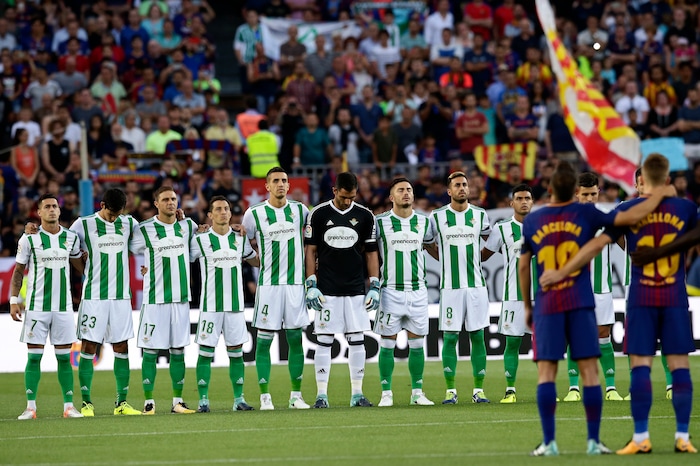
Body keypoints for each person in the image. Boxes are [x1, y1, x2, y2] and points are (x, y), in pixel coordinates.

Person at [541, 154, 697, 455]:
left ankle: (641, 438)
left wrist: (562, 271)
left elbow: (598, 244)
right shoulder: (684, 208)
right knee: (679, 365)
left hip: (642, 298)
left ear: (640, 183)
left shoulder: (626, 210)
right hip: (675, 297)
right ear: (666, 180)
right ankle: (682, 436)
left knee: (640, 365)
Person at [304, 171, 379, 408]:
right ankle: (321, 395)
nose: (348, 202)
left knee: (357, 340)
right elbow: (311, 250)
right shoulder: (318, 214)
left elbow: (371, 252)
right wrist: (311, 283)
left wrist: (375, 284)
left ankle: (357, 394)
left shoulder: (366, 216)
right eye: (344, 197)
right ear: (334, 191)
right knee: (325, 340)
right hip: (327, 288)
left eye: (353, 197)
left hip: (356, 288)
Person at [241, 167, 311, 410]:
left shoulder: (301, 210)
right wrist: (257, 260)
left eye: (284, 181)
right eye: (276, 181)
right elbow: (242, 243)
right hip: (269, 286)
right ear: (267, 186)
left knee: (295, 340)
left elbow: (312, 242)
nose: (281, 184)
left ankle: (296, 396)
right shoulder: (254, 214)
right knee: (263, 342)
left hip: (295, 286)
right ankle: (264, 397)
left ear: (289, 186)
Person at [11, 194, 84, 420]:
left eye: (55, 206)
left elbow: (80, 266)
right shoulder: (28, 239)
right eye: (47, 207)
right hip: (36, 307)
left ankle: (69, 406)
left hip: (63, 308)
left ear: (59, 211)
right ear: (39, 212)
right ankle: (30, 407)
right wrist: (14, 300)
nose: (52, 209)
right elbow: (17, 272)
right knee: (34, 357)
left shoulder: (71, 238)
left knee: (64, 358)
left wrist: (90, 259)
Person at [71, 189, 143, 416]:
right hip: (94, 297)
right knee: (89, 346)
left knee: (121, 346)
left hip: (121, 298)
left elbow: (152, 233)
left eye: (118, 214)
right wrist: (86, 272)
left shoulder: (129, 222)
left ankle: (121, 403)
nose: (114, 219)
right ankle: (86, 404)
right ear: (102, 205)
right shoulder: (82, 224)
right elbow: (68, 247)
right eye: (111, 214)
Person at [129, 186, 199, 414]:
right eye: (166, 199)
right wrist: (145, 267)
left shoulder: (188, 226)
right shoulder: (145, 229)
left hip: (180, 300)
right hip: (154, 300)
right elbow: (125, 249)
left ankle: (177, 401)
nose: (171, 203)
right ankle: (149, 402)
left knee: (178, 351)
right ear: (156, 203)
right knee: (150, 351)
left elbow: (200, 244)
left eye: (174, 199)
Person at [428, 171, 492, 405]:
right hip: (450, 288)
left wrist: (478, 258)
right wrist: (444, 261)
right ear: (449, 191)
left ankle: (478, 390)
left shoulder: (480, 215)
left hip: (476, 287)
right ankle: (450, 391)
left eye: (465, 184)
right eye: (457, 185)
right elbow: (427, 243)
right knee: (451, 336)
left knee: (478, 336)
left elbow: (491, 243)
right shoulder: (436, 217)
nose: (462, 188)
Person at [191, 196, 259, 412]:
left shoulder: (240, 239)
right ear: (209, 215)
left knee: (237, 352)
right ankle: (203, 400)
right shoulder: (199, 240)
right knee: (205, 352)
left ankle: (239, 399)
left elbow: (255, 260)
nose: (223, 212)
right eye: (218, 209)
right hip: (210, 307)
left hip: (236, 306)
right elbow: (179, 259)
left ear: (231, 214)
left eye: (226, 209)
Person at [562, 173, 624, 403]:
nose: (589, 198)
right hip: (574, 288)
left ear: (599, 193)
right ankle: (573, 388)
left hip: (602, 288)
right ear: (577, 193)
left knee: (603, 336)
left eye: (593, 193)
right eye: (585, 194)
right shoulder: (566, 219)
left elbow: (626, 245)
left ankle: (610, 388)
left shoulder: (607, 218)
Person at [374, 178, 436, 407]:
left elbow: (431, 247)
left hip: (418, 291)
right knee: (388, 343)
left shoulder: (424, 222)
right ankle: (386, 393)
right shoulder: (380, 223)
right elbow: (369, 253)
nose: (406, 193)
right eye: (401, 190)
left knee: (418, 344)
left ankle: (417, 392)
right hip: (390, 291)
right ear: (391, 197)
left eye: (409, 189)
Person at [481, 184, 534, 403]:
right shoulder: (501, 229)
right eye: (519, 198)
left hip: (541, 296)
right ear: (511, 203)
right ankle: (510, 390)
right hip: (513, 296)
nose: (524, 201)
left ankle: (547, 388)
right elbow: (483, 255)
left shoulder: (543, 226)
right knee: (512, 343)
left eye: (527, 198)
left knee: (546, 344)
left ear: (532, 202)